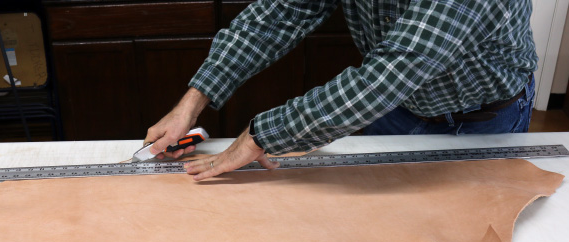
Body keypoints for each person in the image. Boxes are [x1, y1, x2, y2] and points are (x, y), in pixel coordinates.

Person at [144, 0, 538, 181]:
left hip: (480, 120)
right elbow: (279, 13)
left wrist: (261, 135)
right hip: (395, 111)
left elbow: (390, 73)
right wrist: (192, 101)